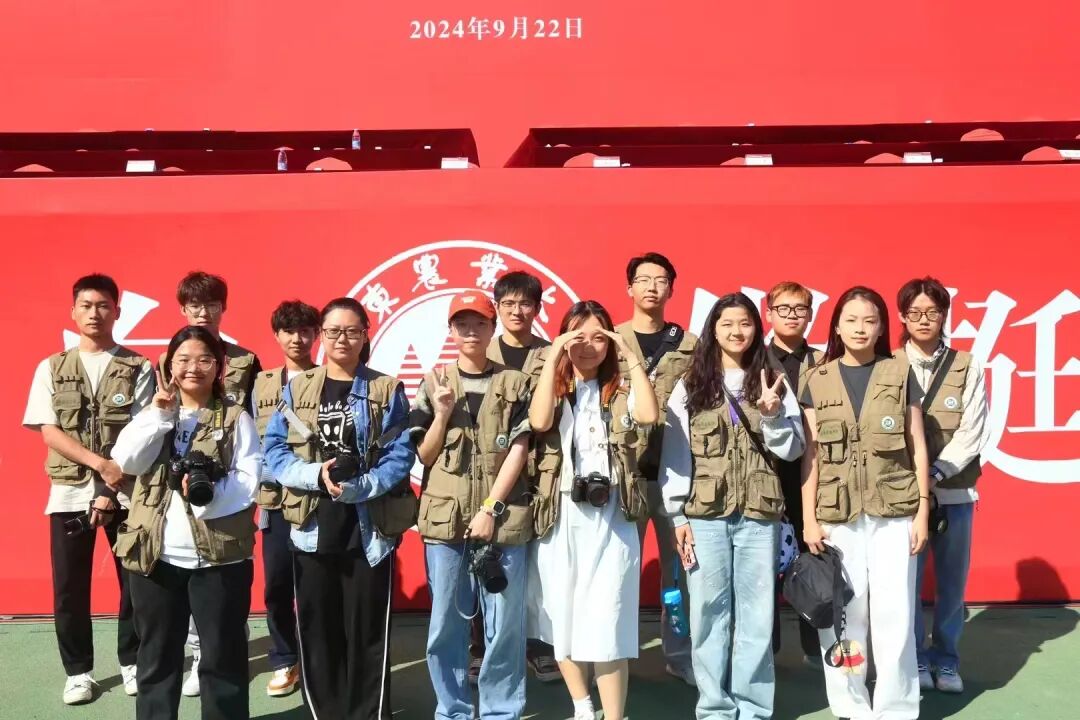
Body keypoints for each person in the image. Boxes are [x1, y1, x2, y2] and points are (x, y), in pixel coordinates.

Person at [263, 297, 416, 720]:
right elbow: (274, 449)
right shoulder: (298, 388)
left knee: (368, 633)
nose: (342, 339)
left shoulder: (386, 389)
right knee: (318, 631)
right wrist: (314, 475)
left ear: (365, 335)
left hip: (369, 531)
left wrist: (361, 487)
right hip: (311, 527)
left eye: (351, 331)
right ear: (321, 336)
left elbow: (401, 453)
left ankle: (368, 715)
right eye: (333, 331)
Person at [659, 292, 806, 720]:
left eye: (744, 323)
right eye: (727, 324)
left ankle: (754, 708)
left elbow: (793, 449)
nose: (736, 331)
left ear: (756, 328)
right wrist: (677, 515)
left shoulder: (772, 378)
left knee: (757, 617)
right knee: (708, 614)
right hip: (704, 516)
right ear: (713, 329)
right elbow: (675, 454)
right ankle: (715, 708)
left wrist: (773, 415)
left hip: (759, 515)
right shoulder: (692, 384)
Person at [111, 326, 260, 720]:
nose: (194, 368)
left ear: (219, 367)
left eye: (204, 359)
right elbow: (126, 462)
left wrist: (202, 497)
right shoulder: (153, 413)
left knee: (223, 659)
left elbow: (248, 482)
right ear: (169, 366)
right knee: (156, 658)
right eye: (184, 359)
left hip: (220, 559)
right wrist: (160, 415)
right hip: (156, 557)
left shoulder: (236, 418)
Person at [800, 286, 931, 720]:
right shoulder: (817, 378)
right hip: (837, 514)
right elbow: (811, 456)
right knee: (845, 613)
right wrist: (809, 519)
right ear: (836, 327)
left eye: (869, 320)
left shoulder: (900, 372)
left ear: (881, 328)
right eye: (851, 320)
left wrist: (923, 510)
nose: (860, 328)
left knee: (895, 612)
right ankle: (850, 704)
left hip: (894, 512)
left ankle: (896, 707)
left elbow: (917, 444)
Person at [22, 273, 153, 704]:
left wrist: (110, 489)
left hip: (125, 494)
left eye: (103, 305)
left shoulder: (138, 367)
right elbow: (49, 430)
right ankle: (78, 672)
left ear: (117, 311)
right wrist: (99, 467)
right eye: (86, 305)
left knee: (134, 582)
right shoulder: (51, 367)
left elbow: (142, 432)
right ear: (73, 312)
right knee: (69, 588)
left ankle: (132, 662)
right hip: (69, 493)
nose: (95, 313)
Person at [530, 300, 659, 720]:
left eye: (598, 338)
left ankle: (615, 716)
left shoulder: (621, 387)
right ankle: (583, 707)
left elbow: (648, 415)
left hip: (613, 515)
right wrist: (554, 356)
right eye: (578, 337)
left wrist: (629, 353)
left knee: (609, 619)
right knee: (562, 616)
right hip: (562, 514)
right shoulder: (553, 385)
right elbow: (539, 421)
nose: (588, 347)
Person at [410, 290, 534, 720]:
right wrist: (443, 414)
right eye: (462, 323)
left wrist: (490, 509)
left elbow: (520, 449)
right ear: (451, 330)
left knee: (505, 626)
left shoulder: (516, 383)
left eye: (479, 323)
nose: (471, 331)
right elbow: (424, 455)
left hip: (504, 519)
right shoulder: (433, 382)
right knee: (446, 624)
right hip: (445, 522)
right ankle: (453, 710)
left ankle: (501, 711)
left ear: (492, 327)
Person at [159, 270, 262, 697]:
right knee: (181, 574)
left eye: (212, 305)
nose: (203, 312)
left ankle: (221, 655)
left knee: (225, 576)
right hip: (175, 488)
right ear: (183, 309)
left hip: (228, 479)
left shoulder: (246, 360)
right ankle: (197, 655)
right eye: (195, 305)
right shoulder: (169, 359)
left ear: (224, 307)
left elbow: (256, 418)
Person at [468, 270, 561, 685]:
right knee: (481, 561)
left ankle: (538, 647)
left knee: (539, 567)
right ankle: (479, 648)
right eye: (508, 304)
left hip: (541, 473)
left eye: (525, 303)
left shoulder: (552, 354)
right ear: (496, 309)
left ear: (537, 308)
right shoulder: (481, 352)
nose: (517, 311)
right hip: (487, 474)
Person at [897, 277, 988, 695]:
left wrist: (933, 475)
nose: (924, 320)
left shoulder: (967, 365)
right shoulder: (888, 364)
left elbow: (973, 431)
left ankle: (947, 661)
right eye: (914, 312)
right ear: (902, 317)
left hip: (954, 494)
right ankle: (915, 658)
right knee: (907, 584)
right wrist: (915, 483)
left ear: (944, 316)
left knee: (952, 584)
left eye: (932, 312)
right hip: (901, 500)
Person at [615, 252, 697, 685]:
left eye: (660, 280)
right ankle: (615, 656)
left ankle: (679, 654)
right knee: (617, 571)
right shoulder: (611, 340)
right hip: (623, 477)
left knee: (677, 574)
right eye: (643, 279)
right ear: (628, 287)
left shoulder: (690, 345)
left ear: (671, 289)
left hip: (673, 478)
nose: (651, 287)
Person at [248, 300, 320, 697]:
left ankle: (316, 660)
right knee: (276, 585)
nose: (297, 338)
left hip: (316, 501)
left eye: (305, 331)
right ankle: (284, 659)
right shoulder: (260, 383)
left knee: (315, 586)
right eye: (289, 331)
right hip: (274, 502)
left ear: (316, 335)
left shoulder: (329, 379)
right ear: (276, 335)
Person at [763, 280, 823, 663]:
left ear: (810, 315)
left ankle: (816, 650)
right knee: (762, 569)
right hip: (766, 476)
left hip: (813, 475)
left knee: (813, 560)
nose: (792, 316)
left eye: (800, 309)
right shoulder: (752, 360)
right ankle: (766, 651)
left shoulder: (824, 362)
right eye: (783, 309)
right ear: (768, 313)